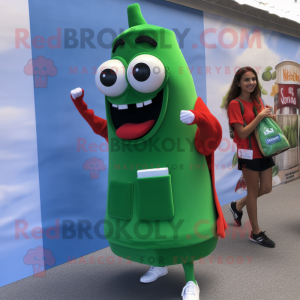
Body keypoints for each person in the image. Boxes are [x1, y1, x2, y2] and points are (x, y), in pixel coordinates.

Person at [225, 66, 276, 248]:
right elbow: (243, 133)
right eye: (247, 80)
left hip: (264, 149)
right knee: (253, 191)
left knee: (267, 188)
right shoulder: (234, 104)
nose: (251, 82)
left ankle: (237, 206)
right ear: (238, 83)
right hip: (248, 153)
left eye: (253, 79)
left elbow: (263, 127)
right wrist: (260, 116)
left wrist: (270, 116)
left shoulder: (258, 101)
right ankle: (256, 232)